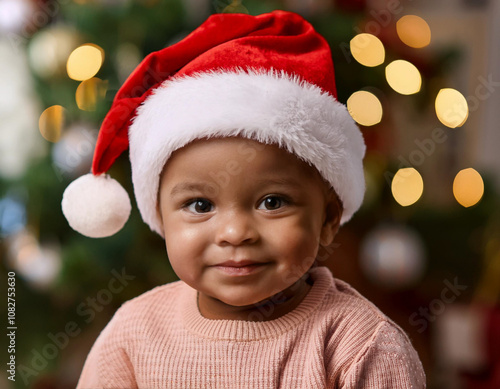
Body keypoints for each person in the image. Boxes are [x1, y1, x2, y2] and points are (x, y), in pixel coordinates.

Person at [61, 10, 426, 388]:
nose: (235, 233)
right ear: (160, 216)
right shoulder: (132, 334)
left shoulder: (361, 348)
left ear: (328, 219)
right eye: (200, 205)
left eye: (272, 202)